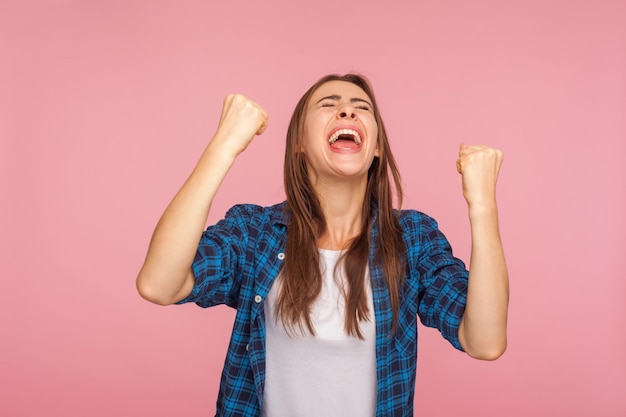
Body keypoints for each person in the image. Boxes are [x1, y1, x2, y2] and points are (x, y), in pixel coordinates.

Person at [136, 73, 509, 417]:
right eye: (328, 103)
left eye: (362, 107)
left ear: (376, 147)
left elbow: (484, 341)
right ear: (298, 142)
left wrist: (483, 206)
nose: (347, 109)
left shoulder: (411, 240)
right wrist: (224, 146)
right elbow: (159, 284)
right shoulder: (255, 232)